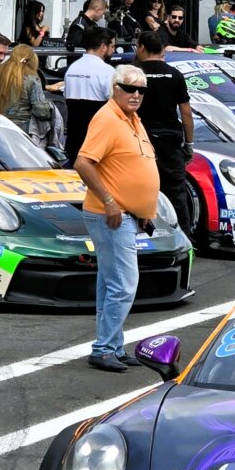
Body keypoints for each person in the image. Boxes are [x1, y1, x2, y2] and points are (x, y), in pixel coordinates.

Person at [73, 64, 161, 373]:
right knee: (124, 284)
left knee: (111, 282)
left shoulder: (131, 119)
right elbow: (83, 162)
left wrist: (142, 210)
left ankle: (113, 345)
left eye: (142, 89)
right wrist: (110, 201)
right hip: (110, 214)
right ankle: (104, 348)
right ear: (115, 88)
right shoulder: (108, 118)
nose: (136, 94)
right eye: (130, 87)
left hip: (125, 214)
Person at [135, 31, 195, 238]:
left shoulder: (131, 74)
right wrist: (189, 144)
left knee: (138, 188)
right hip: (170, 140)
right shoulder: (174, 74)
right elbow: (186, 112)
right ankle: (183, 238)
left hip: (140, 139)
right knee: (176, 192)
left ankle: (141, 237)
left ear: (141, 47)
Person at [61, 26, 116, 165]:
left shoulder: (72, 69)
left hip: (73, 139)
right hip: (97, 140)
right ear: (103, 46)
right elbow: (115, 105)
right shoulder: (107, 71)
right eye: (112, 46)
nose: (114, 50)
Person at [0, 43, 54, 144]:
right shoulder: (32, 78)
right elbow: (41, 111)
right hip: (22, 133)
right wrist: (50, 108)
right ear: (32, 60)